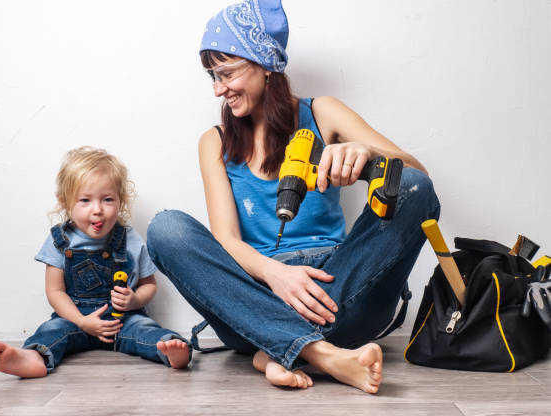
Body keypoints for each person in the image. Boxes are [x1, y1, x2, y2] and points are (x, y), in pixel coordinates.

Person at [147, 0, 440, 393]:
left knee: (414, 188)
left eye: (227, 72)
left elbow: (417, 176)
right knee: (166, 229)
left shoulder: (323, 113)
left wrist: (367, 155)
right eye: (212, 76)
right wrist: (275, 274)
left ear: (266, 64)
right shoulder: (213, 142)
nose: (219, 88)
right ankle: (325, 355)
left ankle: (272, 348)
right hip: (254, 292)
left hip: (337, 287)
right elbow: (227, 241)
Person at [0, 146, 191, 378]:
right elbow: (55, 292)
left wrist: (135, 299)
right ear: (65, 202)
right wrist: (81, 321)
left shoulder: (130, 239)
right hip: (76, 319)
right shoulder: (60, 241)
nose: (97, 210)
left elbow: (149, 285)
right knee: (52, 330)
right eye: (85, 200)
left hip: (122, 321)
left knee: (145, 329)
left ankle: (170, 350)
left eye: (107, 200)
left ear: (121, 200)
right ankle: (34, 357)